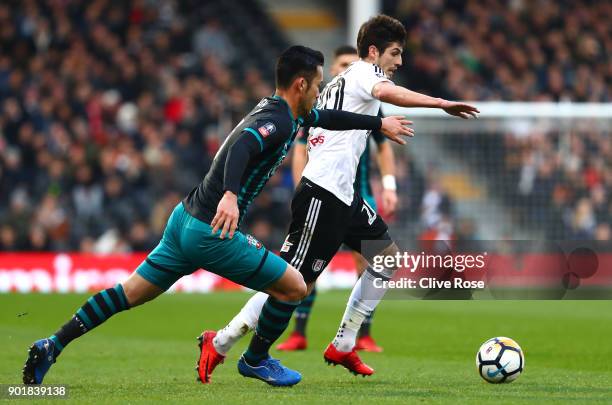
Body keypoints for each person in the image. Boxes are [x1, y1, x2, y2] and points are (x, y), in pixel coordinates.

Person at [22, 45, 413, 386]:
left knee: (127, 294)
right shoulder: (277, 122)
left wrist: (378, 123)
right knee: (294, 286)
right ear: (300, 85)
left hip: (183, 220)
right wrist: (229, 194)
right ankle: (256, 359)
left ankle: (52, 345)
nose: (320, 92)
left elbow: (329, 119)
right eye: (317, 85)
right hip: (211, 230)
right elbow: (243, 146)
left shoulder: (285, 110)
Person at [198, 14, 478, 386]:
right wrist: (441, 103)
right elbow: (386, 93)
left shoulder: (340, 83)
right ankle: (220, 341)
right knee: (293, 284)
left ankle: (344, 342)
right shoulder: (364, 73)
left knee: (386, 258)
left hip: (343, 197)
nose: (399, 63)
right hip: (323, 195)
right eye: (395, 53)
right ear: (374, 51)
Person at [277, 45, 397, 353]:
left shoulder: (369, 101)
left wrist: (389, 184)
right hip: (324, 191)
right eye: (343, 63)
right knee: (303, 273)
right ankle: (288, 332)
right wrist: (303, 184)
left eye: (352, 63)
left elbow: (383, 145)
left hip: (356, 193)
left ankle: (357, 334)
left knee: (375, 258)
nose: (348, 68)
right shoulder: (320, 103)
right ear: (333, 70)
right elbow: (301, 147)